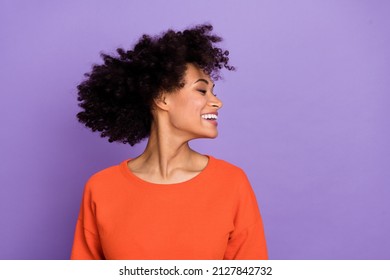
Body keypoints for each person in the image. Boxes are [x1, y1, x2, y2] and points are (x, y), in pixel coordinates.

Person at [70, 24, 268, 260]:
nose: (217, 102)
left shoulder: (232, 183)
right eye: (202, 91)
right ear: (162, 98)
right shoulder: (101, 188)